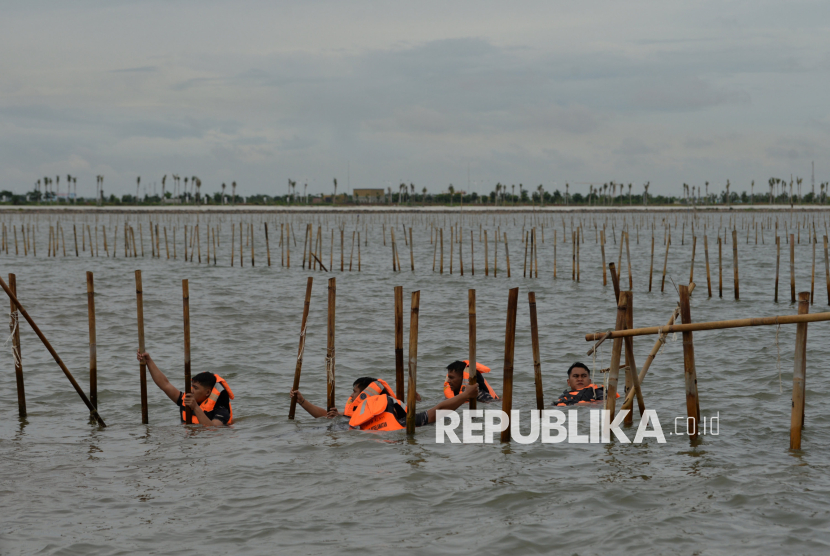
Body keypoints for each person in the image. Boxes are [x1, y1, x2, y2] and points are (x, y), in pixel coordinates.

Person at [290, 377, 478, 431]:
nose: (351, 396)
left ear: (366, 395)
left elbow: (438, 410)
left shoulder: (402, 418)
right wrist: (303, 402)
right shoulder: (351, 419)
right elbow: (324, 416)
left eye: (354, 392)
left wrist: (465, 395)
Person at [137, 351, 234, 426]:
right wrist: (148, 361)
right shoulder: (185, 399)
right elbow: (165, 385)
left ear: (208, 392)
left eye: (195, 388)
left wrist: (195, 407)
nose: (191, 391)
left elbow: (213, 429)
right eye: (192, 386)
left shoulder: (221, 410)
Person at [553, 362, 618, 406]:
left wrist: (586, 404)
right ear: (569, 382)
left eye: (583, 376)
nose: (580, 379)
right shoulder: (564, 397)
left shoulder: (596, 392)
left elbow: (606, 403)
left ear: (590, 381)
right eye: (576, 376)